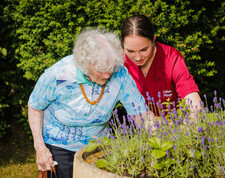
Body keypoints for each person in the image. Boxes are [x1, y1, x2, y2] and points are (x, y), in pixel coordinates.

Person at [28, 28, 154, 178]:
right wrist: (40, 148)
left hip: (99, 146)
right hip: (60, 147)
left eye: (111, 68)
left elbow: (140, 113)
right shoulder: (59, 74)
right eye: (102, 70)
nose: (107, 75)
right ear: (84, 62)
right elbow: (35, 106)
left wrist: (158, 139)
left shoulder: (120, 75)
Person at [121, 15, 202, 116]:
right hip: (145, 124)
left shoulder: (171, 58)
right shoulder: (121, 63)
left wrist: (195, 117)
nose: (138, 58)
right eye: (130, 51)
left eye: (144, 50)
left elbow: (190, 93)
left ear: (153, 39)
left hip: (177, 123)